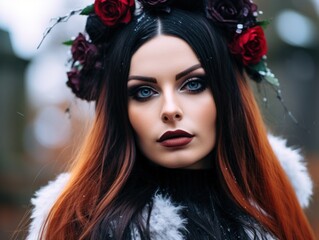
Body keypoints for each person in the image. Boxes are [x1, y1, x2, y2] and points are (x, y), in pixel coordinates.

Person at [27, 0, 315, 239]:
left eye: (193, 84)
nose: (170, 109)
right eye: (143, 91)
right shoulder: (81, 226)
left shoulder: (275, 208)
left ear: (227, 96)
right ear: (119, 111)